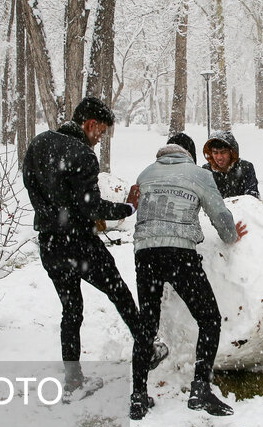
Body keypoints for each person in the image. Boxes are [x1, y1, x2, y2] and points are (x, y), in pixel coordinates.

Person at [22, 97, 163, 401]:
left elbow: (30, 185)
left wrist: (52, 213)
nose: (99, 140)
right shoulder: (83, 155)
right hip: (80, 244)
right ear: (90, 124)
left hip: (50, 243)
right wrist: (128, 207)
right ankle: (147, 348)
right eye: (100, 133)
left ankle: (73, 380)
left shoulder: (39, 143)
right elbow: (91, 206)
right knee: (120, 293)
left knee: (71, 311)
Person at [130, 137, 248, 420]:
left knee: (147, 323)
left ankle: (137, 396)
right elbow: (219, 213)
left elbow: (134, 206)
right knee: (209, 318)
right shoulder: (199, 174)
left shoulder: (146, 173)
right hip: (180, 253)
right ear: (191, 156)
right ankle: (200, 388)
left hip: (145, 252)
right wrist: (231, 236)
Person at [201, 130, 260, 198]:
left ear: (231, 152)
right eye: (215, 153)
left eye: (223, 152)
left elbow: (252, 198)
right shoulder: (207, 170)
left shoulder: (245, 168)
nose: (219, 157)